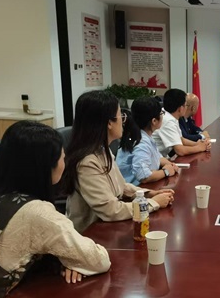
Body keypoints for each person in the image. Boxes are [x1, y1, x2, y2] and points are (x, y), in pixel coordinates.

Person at [0, 121, 111, 298]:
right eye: (62, 156)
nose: (65, 161)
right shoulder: (38, 213)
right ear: (46, 166)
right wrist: (73, 259)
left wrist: (66, 258)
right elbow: (99, 260)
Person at [61, 90, 174, 232]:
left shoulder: (102, 149)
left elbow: (121, 185)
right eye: (121, 115)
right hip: (90, 234)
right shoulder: (87, 162)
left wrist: (147, 193)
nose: (124, 120)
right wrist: (152, 203)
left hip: (107, 228)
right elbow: (110, 210)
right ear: (109, 123)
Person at [116, 97, 179, 185]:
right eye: (161, 113)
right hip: (135, 189)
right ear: (154, 121)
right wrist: (166, 172)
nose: (163, 116)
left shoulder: (142, 135)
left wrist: (170, 165)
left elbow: (157, 158)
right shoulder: (141, 143)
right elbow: (144, 176)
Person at [152, 89, 211, 157]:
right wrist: (199, 148)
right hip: (154, 160)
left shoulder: (170, 115)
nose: (186, 108)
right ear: (180, 108)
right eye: (185, 105)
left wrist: (199, 144)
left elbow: (181, 140)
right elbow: (180, 151)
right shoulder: (168, 121)